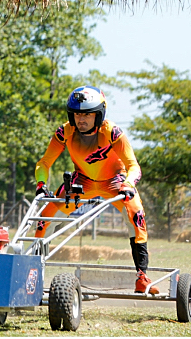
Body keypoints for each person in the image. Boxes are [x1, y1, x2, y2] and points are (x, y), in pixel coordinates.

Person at [33, 86, 159, 294]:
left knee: (136, 216)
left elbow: (133, 166)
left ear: (99, 114)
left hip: (115, 182)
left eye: (87, 114)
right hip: (82, 182)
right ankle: (32, 272)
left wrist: (128, 185)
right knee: (44, 219)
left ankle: (142, 277)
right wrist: (40, 184)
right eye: (76, 114)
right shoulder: (65, 131)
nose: (80, 119)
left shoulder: (112, 132)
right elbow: (44, 162)